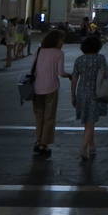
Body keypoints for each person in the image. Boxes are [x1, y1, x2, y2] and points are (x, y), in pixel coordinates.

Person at [31, 29, 70, 157]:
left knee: (39, 116)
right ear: (56, 40)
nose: (62, 42)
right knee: (49, 117)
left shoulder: (39, 50)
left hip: (37, 88)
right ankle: (44, 144)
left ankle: (38, 140)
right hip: (51, 88)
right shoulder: (59, 53)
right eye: (61, 40)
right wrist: (69, 75)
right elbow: (61, 73)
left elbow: (34, 69)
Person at [71, 35, 108, 161]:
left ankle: (92, 146)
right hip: (95, 93)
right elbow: (106, 74)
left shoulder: (79, 60)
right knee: (90, 121)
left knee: (88, 121)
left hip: (82, 92)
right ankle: (83, 148)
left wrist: (73, 95)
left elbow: (74, 78)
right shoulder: (100, 58)